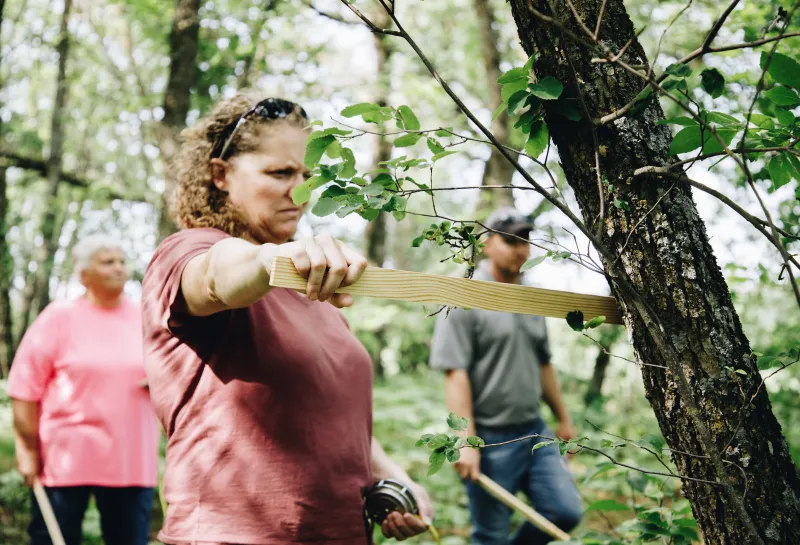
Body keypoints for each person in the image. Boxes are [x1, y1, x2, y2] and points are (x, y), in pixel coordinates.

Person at [141, 91, 433, 545]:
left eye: (305, 175)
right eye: (279, 173)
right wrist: (270, 261)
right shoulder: (187, 252)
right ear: (220, 175)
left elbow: (334, 421)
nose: (299, 191)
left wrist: (396, 481)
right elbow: (219, 276)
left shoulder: (315, 291)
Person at [428, 207, 583, 545]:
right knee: (491, 536)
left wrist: (564, 419)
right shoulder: (463, 295)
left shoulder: (532, 297)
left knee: (565, 512)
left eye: (525, 240)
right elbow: (456, 374)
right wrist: (465, 441)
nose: (520, 248)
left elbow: (543, 364)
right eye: (510, 239)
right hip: (489, 438)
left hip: (535, 432)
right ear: (486, 243)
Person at [7, 234, 159, 545]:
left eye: (120, 261)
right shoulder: (58, 318)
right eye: (107, 262)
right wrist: (27, 449)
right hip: (65, 459)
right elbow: (24, 388)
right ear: (84, 275)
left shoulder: (147, 317)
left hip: (131, 460)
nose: (118, 268)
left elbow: (176, 370)